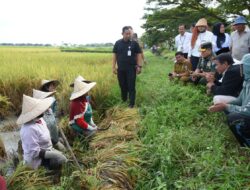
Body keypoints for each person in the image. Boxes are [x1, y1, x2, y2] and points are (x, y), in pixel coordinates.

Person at [209, 54, 250, 147]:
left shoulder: (234, 73)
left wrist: (226, 106)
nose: (240, 69)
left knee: (234, 118)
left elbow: (248, 111)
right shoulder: (247, 80)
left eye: (243, 66)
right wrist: (223, 105)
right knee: (225, 106)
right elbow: (240, 100)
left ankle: (247, 145)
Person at [17, 95, 67, 170]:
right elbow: (35, 153)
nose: (42, 110)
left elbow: (45, 136)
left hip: (47, 150)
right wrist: (56, 155)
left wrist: (55, 143)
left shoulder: (40, 120)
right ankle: (51, 175)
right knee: (57, 161)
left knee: (63, 157)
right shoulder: (29, 129)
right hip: (37, 160)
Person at [112, 26, 142, 108]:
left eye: (130, 34)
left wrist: (139, 66)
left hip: (131, 69)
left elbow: (139, 54)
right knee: (122, 85)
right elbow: (114, 55)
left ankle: (131, 104)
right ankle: (124, 100)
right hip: (121, 69)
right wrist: (113, 67)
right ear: (122, 34)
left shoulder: (134, 43)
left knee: (131, 86)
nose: (129, 35)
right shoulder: (118, 43)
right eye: (127, 34)